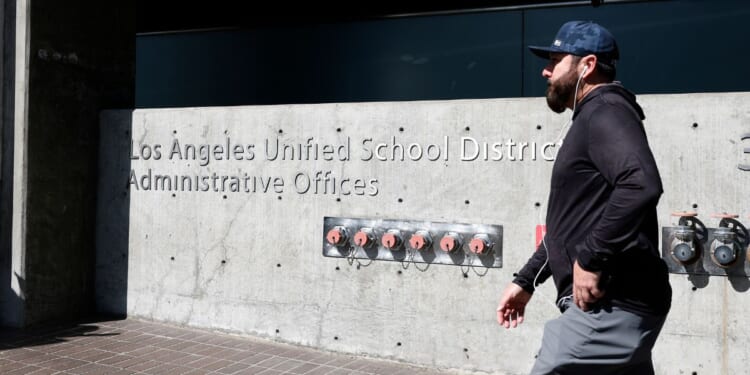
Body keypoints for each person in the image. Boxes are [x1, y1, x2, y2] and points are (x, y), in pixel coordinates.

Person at [496, 20, 672, 374]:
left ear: (587, 65)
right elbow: (571, 224)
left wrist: (591, 259)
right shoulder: (592, 116)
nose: (545, 70)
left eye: (556, 60)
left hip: (612, 303)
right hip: (616, 303)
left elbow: (641, 184)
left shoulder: (605, 110)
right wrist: (527, 280)